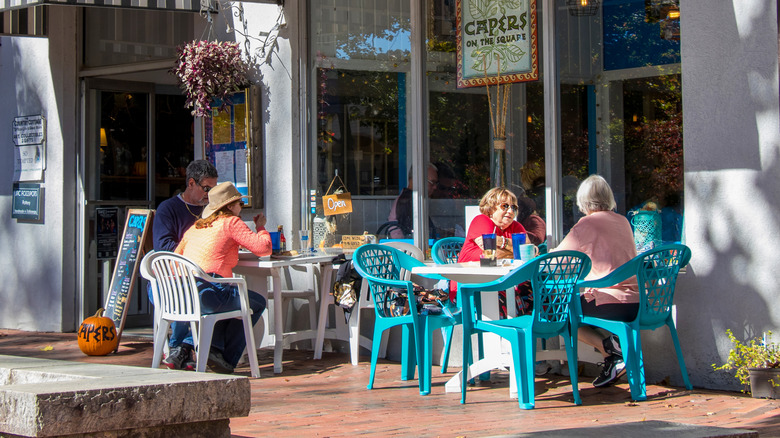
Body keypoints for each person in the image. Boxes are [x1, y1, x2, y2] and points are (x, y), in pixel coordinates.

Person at [175, 181, 271, 374]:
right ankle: (226, 359)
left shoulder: (195, 228)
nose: (241, 208)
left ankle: (213, 350)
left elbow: (174, 260)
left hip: (184, 295)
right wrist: (260, 227)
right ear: (230, 206)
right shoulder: (231, 222)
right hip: (209, 293)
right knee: (255, 302)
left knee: (229, 299)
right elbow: (264, 248)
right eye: (240, 204)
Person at [554, 174, 638, 387]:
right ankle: (612, 358)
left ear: (583, 201)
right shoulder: (623, 221)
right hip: (636, 302)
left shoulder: (586, 224)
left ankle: (609, 346)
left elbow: (556, 261)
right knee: (572, 308)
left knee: (561, 315)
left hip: (609, 302)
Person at [151, 159, 218, 371]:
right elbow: (164, 248)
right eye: (206, 189)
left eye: (214, 190)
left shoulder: (213, 212)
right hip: (169, 280)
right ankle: (180, 347)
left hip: (202, 277)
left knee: (223, 293)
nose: (210, 195)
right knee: (190, 293)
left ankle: (187, 349)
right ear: (191, 183)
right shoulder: (168, 209)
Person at [451, 187, 528, 315]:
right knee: (508, 297)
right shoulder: (482, 220)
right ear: (491, 208)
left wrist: (501, 242)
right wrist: (513, 249)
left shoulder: (516, 227)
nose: (510, 211)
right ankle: (510, 332)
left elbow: (529, 252)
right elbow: (493, 254)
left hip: (501, 282)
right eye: (505, 206)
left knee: (535, 291)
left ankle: (534, 330)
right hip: (471, 286)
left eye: (513, 208)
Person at [386, 163, 439, 239]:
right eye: (432, 182)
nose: (435, 187)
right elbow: (413, 234)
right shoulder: (410, 201)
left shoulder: (409, 198)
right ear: (417, 179)